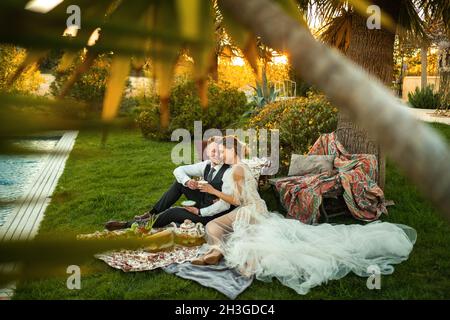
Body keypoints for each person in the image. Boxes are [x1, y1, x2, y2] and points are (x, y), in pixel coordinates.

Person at [192, 135, 417, 295]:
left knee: (212, 227)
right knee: (248, 234)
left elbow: (238, 200)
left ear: (235, 151)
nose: (220, 154)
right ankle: (222, 250)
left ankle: (219, 250)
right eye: (219, 151)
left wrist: (212, 191)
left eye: (224, 150)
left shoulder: (237, 170)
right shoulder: (243, 167)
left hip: (248, 209)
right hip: (259, 208)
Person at [104, 136, 235, 230]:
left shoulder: (228, 171)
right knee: (180, 183)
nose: (217, 154)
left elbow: (225, 205)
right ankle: (152, 213)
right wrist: (187, 181)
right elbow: (179, 170)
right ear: (206, 152)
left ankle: (128, 224)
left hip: (212, 215)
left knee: (173, 212)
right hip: (204, 201)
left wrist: (199, 212)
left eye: (220, 151)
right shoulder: (206, 165)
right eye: (212, 151)